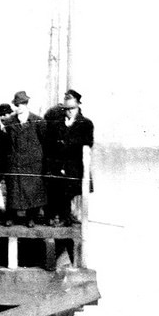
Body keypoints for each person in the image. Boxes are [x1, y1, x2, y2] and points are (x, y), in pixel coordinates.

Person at [44, 89, 94, 225]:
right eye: (67, 109)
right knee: (57, 191)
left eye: (72, 108)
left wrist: (69, 144)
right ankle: (59, 217)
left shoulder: (86, 124)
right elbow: (50, 145)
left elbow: (88, 143)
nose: (69, 111)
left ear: (78, 106)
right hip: (58, 165)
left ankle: (67, 218)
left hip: (75, 166)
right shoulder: (57, 123)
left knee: (70, 192)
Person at [4, 91, 47, 227]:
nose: (18, 108)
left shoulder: (38, 121)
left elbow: (44, 141)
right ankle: (11, 217)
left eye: (21, 104)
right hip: (15, 163)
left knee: (32, 192)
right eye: (16, 105)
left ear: (26, 105)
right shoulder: (10, 122)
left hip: (32, 163)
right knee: (14, 191)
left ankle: (31, 218)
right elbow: (6, 142)